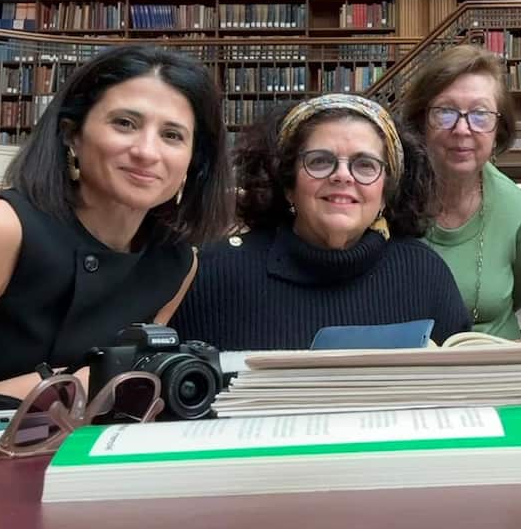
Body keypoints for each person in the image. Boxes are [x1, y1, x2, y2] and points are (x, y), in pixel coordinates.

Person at [0, 45, 233, 422]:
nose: (147, 152)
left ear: (193, 161)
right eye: (125, 124)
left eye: (172, 135)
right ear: (72, 135)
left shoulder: (176, 262)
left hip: (76, 472)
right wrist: (74, 386)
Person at [174, 93, 470, 349]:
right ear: (289, 185)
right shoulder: (214, 275)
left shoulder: (425, 275)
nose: (342, 175)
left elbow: (466, 394)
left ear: (384, 194)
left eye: (365, 165)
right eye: (320, 161)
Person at [399, 45, 521, 339]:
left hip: (496, 371)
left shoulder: (516, 210)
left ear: (498, 132)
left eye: (480, 114)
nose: (463, 129)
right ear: (421, 123)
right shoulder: (390, 200)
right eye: (445, 113)